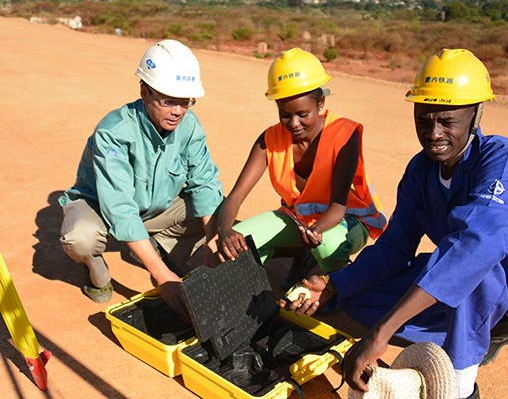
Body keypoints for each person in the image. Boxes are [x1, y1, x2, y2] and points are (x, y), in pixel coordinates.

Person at [280, 48, 508, 398]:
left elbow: (476, 247)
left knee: (478, 262)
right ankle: (468, 331)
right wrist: (334, 285)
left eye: (446, 121)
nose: (433, 133)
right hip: (462, 276)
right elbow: (395, 248)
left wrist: (381, 334)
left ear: (475, 115)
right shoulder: (421, 170)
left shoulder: (505, 164)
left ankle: (459, 385)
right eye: (424, 120)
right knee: (353, 299)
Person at [59, 40, 224, 322]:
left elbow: (205, 184)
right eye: (168, 101)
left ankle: (157, 251)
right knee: (80, 239)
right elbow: (120, 207)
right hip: (101, 210)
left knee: (218, 217)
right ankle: (95, 271)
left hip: (153, 211)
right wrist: (163, 277)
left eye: (185, 102)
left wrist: (213, 243)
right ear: (145, 92)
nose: (178, 111)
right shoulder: (114, 132)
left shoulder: (189, 125)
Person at [217, 47, 387, 285]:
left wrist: (314, 232)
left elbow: (338, 207)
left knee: (327, 245)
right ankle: (290, 261)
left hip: (347, 221)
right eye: (285, 114)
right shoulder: (269, 139)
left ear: (321, 103)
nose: (293, 123)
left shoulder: (345, 135)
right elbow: (235, 197)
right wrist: (225, 231)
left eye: (303, 114)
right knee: (236, 245)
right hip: (301, 223)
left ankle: (332, 282)